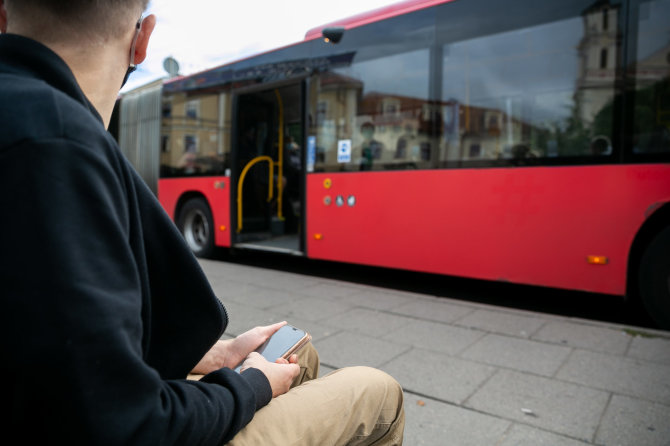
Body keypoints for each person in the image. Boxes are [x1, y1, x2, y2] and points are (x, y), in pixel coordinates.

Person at [0, 1, 405, 445]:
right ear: (142, 41)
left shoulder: (28, 119)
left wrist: (218, 356)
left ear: (3, 17)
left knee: (296, 352)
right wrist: (249, 385)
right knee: (378, 394)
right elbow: (122, 424)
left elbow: (64, 350)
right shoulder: (52, 143)